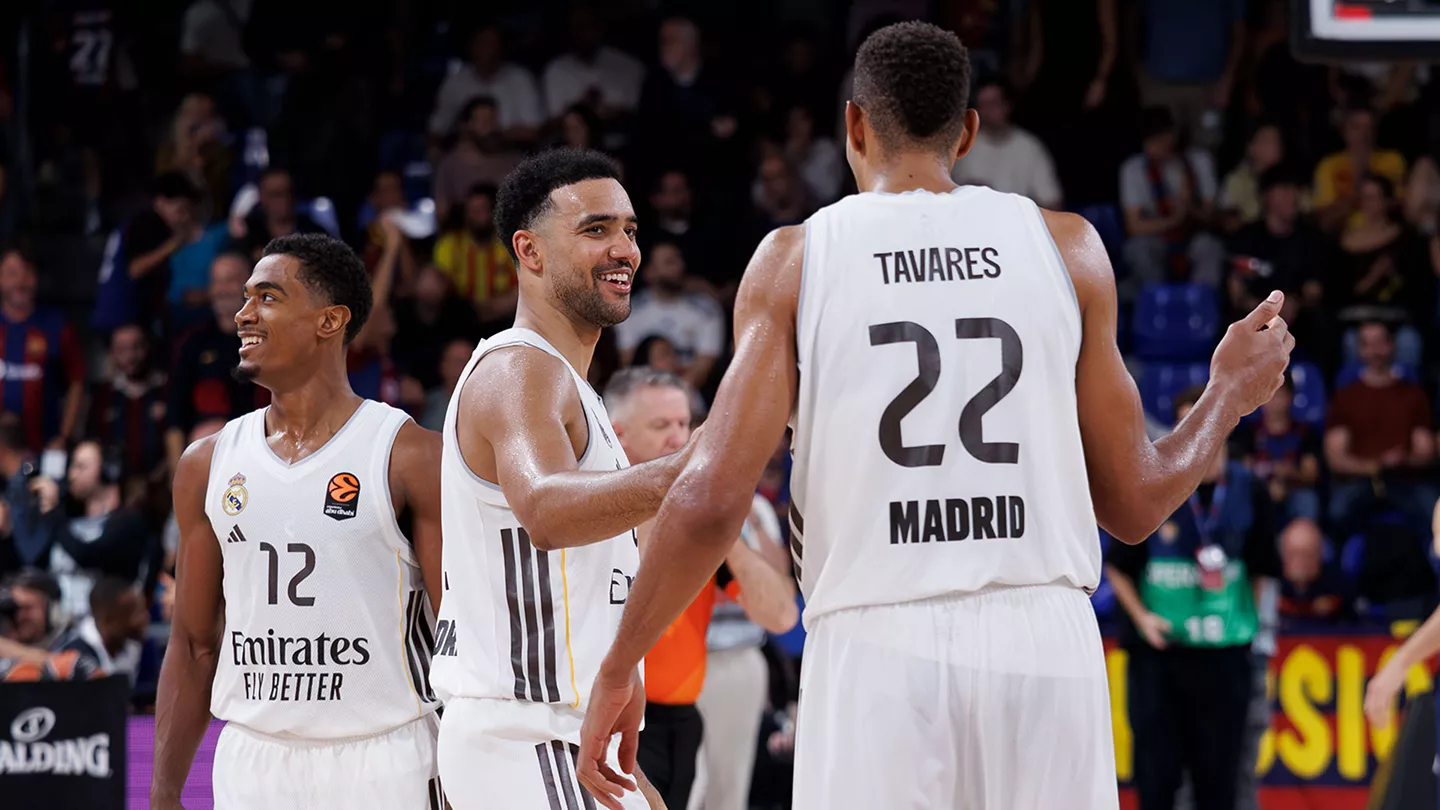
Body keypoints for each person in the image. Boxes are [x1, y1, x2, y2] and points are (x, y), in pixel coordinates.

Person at [577, 22, 1293, 810]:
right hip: (1044, 641)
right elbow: (1133, 503)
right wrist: (1226, 392)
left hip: (877, 641)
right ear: (970, 132)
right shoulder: (1069, 249)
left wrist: (619, 667)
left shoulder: (795, 260)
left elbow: (713, 498)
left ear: (853, 124)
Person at [151, 234, 447, 809]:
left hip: (385, 756)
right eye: (244, 299)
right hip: (252, 760)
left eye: (267, 297)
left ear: (330, 320)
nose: (243, 315)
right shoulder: (206, 464)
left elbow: (461, 638)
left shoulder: (408, 456)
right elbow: (192, 644)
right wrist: (163, 791)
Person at [430, 148, 685, 809]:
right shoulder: (519, 371)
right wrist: (698, 464)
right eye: (595, 229)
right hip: (524, 733)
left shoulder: (571, 386)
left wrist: (622, 671)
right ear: (530, 251)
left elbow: (596, 574)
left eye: (629, 229)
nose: (624, 248)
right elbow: (546, 510)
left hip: (572, 735)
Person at [602, 367, 797, 809]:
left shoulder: (701, 522)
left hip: (681, 718)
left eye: (684, 424)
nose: (679, 438)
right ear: (619, 434)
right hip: (608, 717)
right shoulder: (587, 509)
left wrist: (724, 531)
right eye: (661, 426)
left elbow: (782, 615)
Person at [51, 574, 148, 681]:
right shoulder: (75, 657)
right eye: (135, 613)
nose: (145, 618)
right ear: (109, 622)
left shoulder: (138, 645)